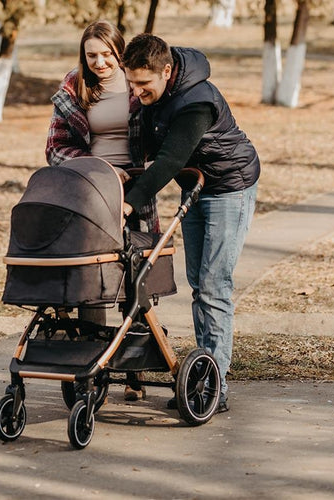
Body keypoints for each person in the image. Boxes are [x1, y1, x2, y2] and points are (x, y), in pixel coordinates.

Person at [121, 34, 260, 413]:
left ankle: (215, 386)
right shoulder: (158, 93)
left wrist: (127, 205)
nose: (136, 91)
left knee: (214, 286)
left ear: (167, 71)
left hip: (229, 186)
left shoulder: (196, 101)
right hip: (197, 186)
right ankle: (206, 371)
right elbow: (149, 151)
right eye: (131, 82)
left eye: (143, 84)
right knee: (199, 283)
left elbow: (167, 162)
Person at [45, 20, 155, 401]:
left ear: (120, 52)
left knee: (135, 279)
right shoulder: (74, 86)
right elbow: (55, 148)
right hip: (91, 190)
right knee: (91, 279)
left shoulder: (137, 83)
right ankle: (92, 369)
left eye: (108, 54)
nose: (100, 62)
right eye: (92, 55)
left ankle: (135, 370)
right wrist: (97, 169)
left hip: (136, 190)